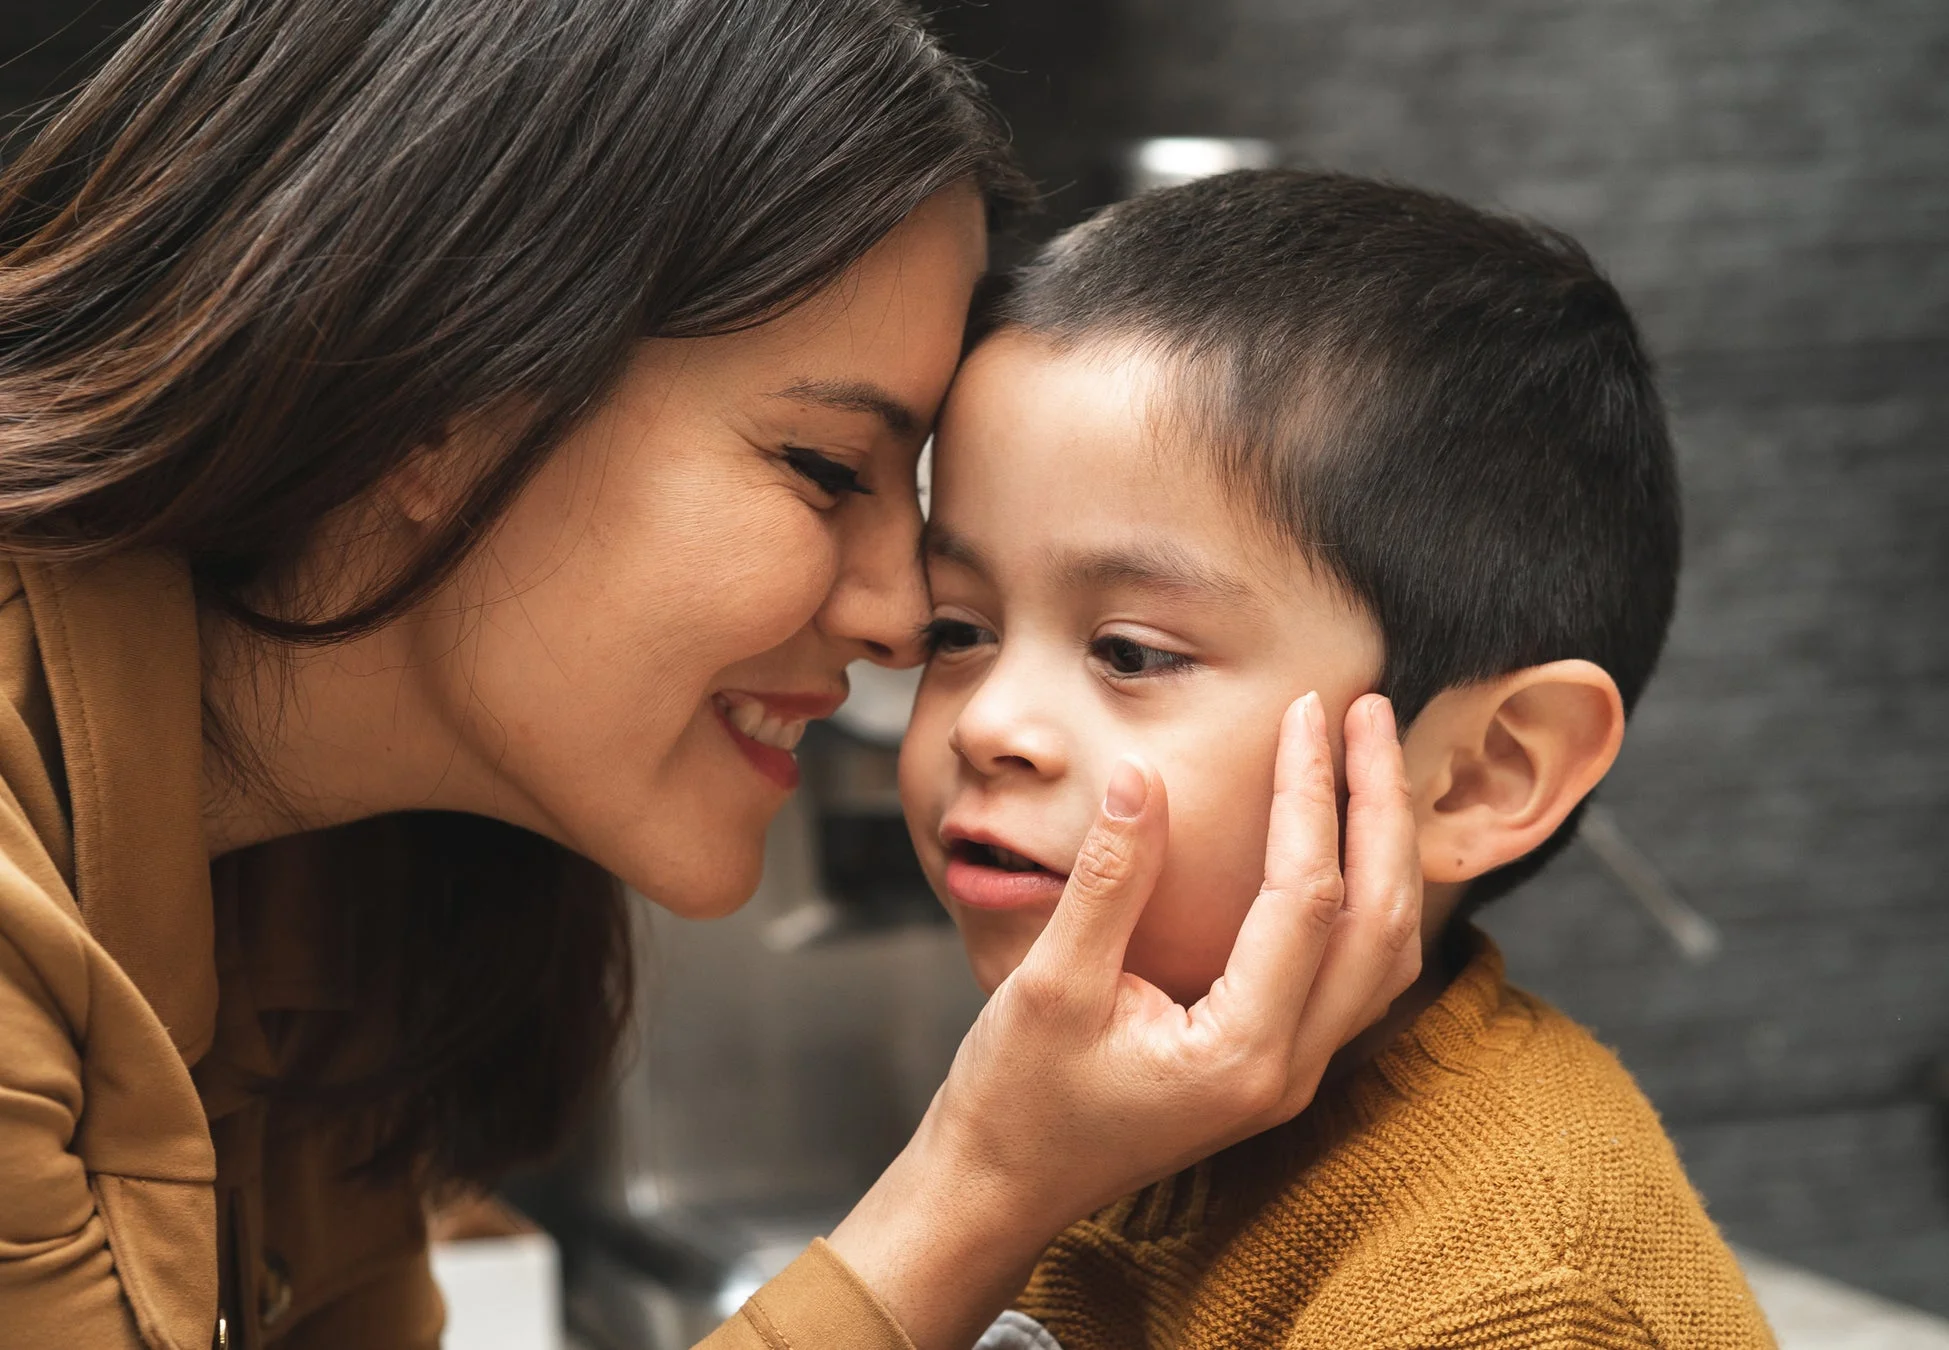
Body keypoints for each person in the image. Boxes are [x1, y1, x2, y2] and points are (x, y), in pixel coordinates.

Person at [0, 4, 1428, 1348]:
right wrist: (981, 1183)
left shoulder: (344, 889)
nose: (900, 614)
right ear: (432, 395)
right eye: (823, 468)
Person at [900, 169, 1777, 1348]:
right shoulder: (1095, 1108)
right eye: (955, 631)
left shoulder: (1517, 1295)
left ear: (1478, 776)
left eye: (1130, 651)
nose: (983, 722)